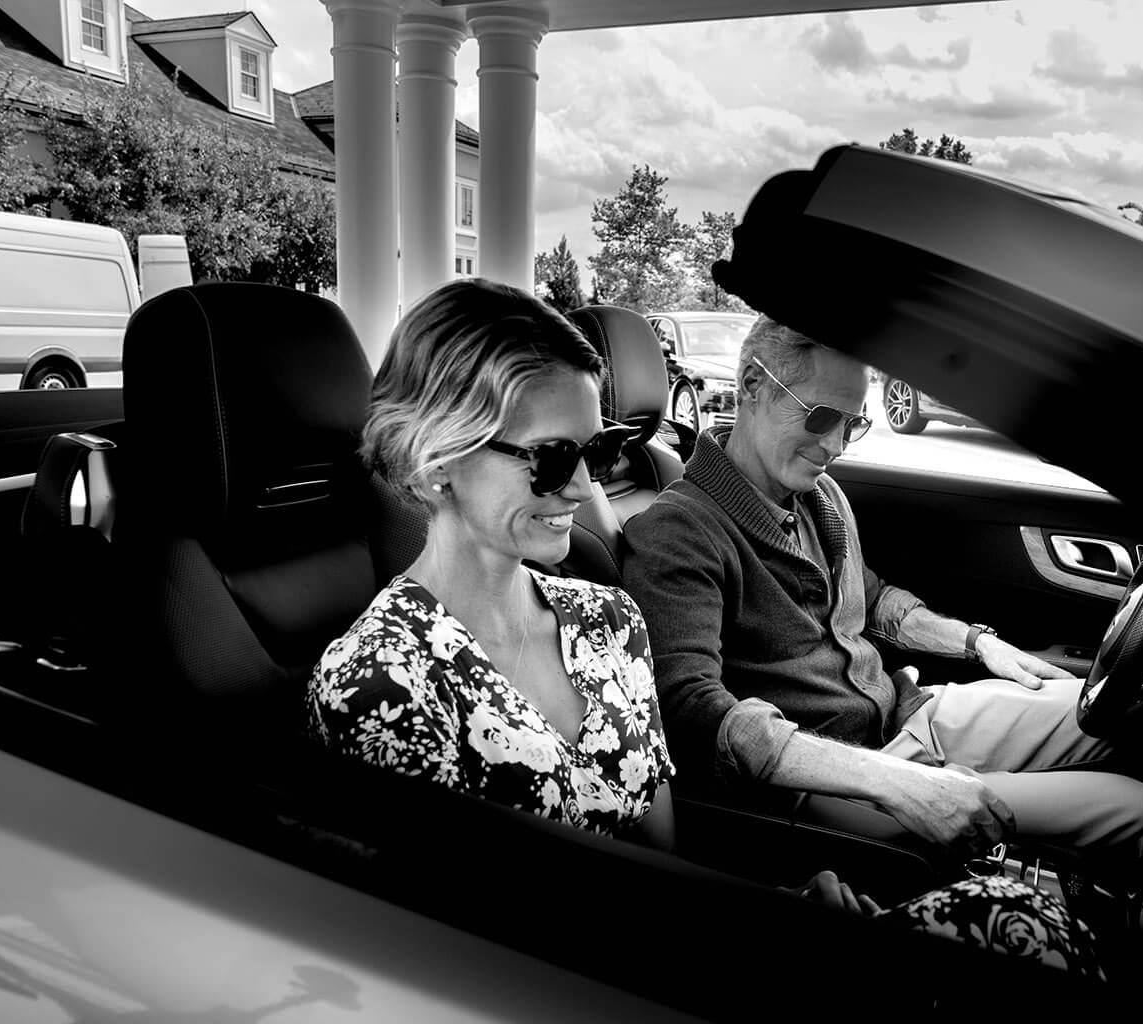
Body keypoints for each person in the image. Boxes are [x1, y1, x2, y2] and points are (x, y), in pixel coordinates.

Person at [305, 279, 1103, 978]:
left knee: (1035, 917)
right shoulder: (383, 684)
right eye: (552, 459)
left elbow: (665, 854)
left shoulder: (603, 619)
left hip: (690, 941)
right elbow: (460, 951)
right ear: (435, 458)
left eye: (599, 450)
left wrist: (778, 903)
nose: (586, 490)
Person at [621, 315, 1143, 861]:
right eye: (821, 417)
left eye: (852, 424)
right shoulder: (679, 530)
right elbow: (689, 708)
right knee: (1141, 808)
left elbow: (874, 597)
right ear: (752, 386)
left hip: (905, 716)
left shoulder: (821, 497)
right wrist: (896, 781)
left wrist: (980, 645)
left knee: (1134, 708)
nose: (836, 445)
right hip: (833, 779)